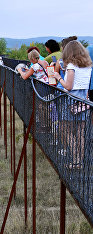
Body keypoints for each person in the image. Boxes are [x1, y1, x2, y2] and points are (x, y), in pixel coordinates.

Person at [52, 40, 92, 168]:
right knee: (80, 132)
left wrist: (58, 76)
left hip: (69, 101)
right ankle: (79, 161)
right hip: (83, 102)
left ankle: (75, 160)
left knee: (66, 130)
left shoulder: (71, 67)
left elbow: (68, 86)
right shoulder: (87, 66)